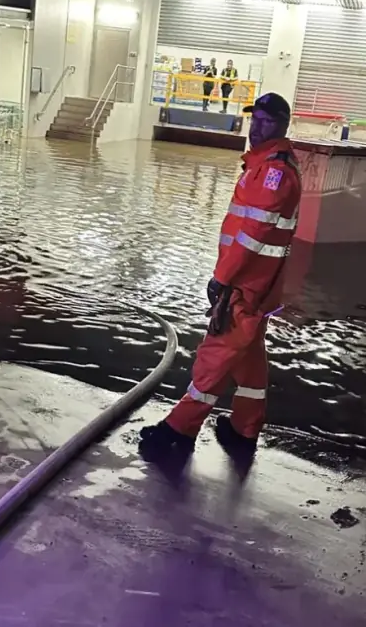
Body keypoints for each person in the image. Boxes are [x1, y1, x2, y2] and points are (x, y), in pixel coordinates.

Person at [139, 92, 302, 468]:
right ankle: (245, 429)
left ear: (282, 125)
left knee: (214, 356)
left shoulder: (274, 173)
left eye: (266, 121)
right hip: (258, 287)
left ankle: (179, 430)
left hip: (246, 286)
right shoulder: (265, 166)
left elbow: (253, 236)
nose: (256, 127)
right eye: (254, 119)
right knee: (249, 364)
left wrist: (222, 279)